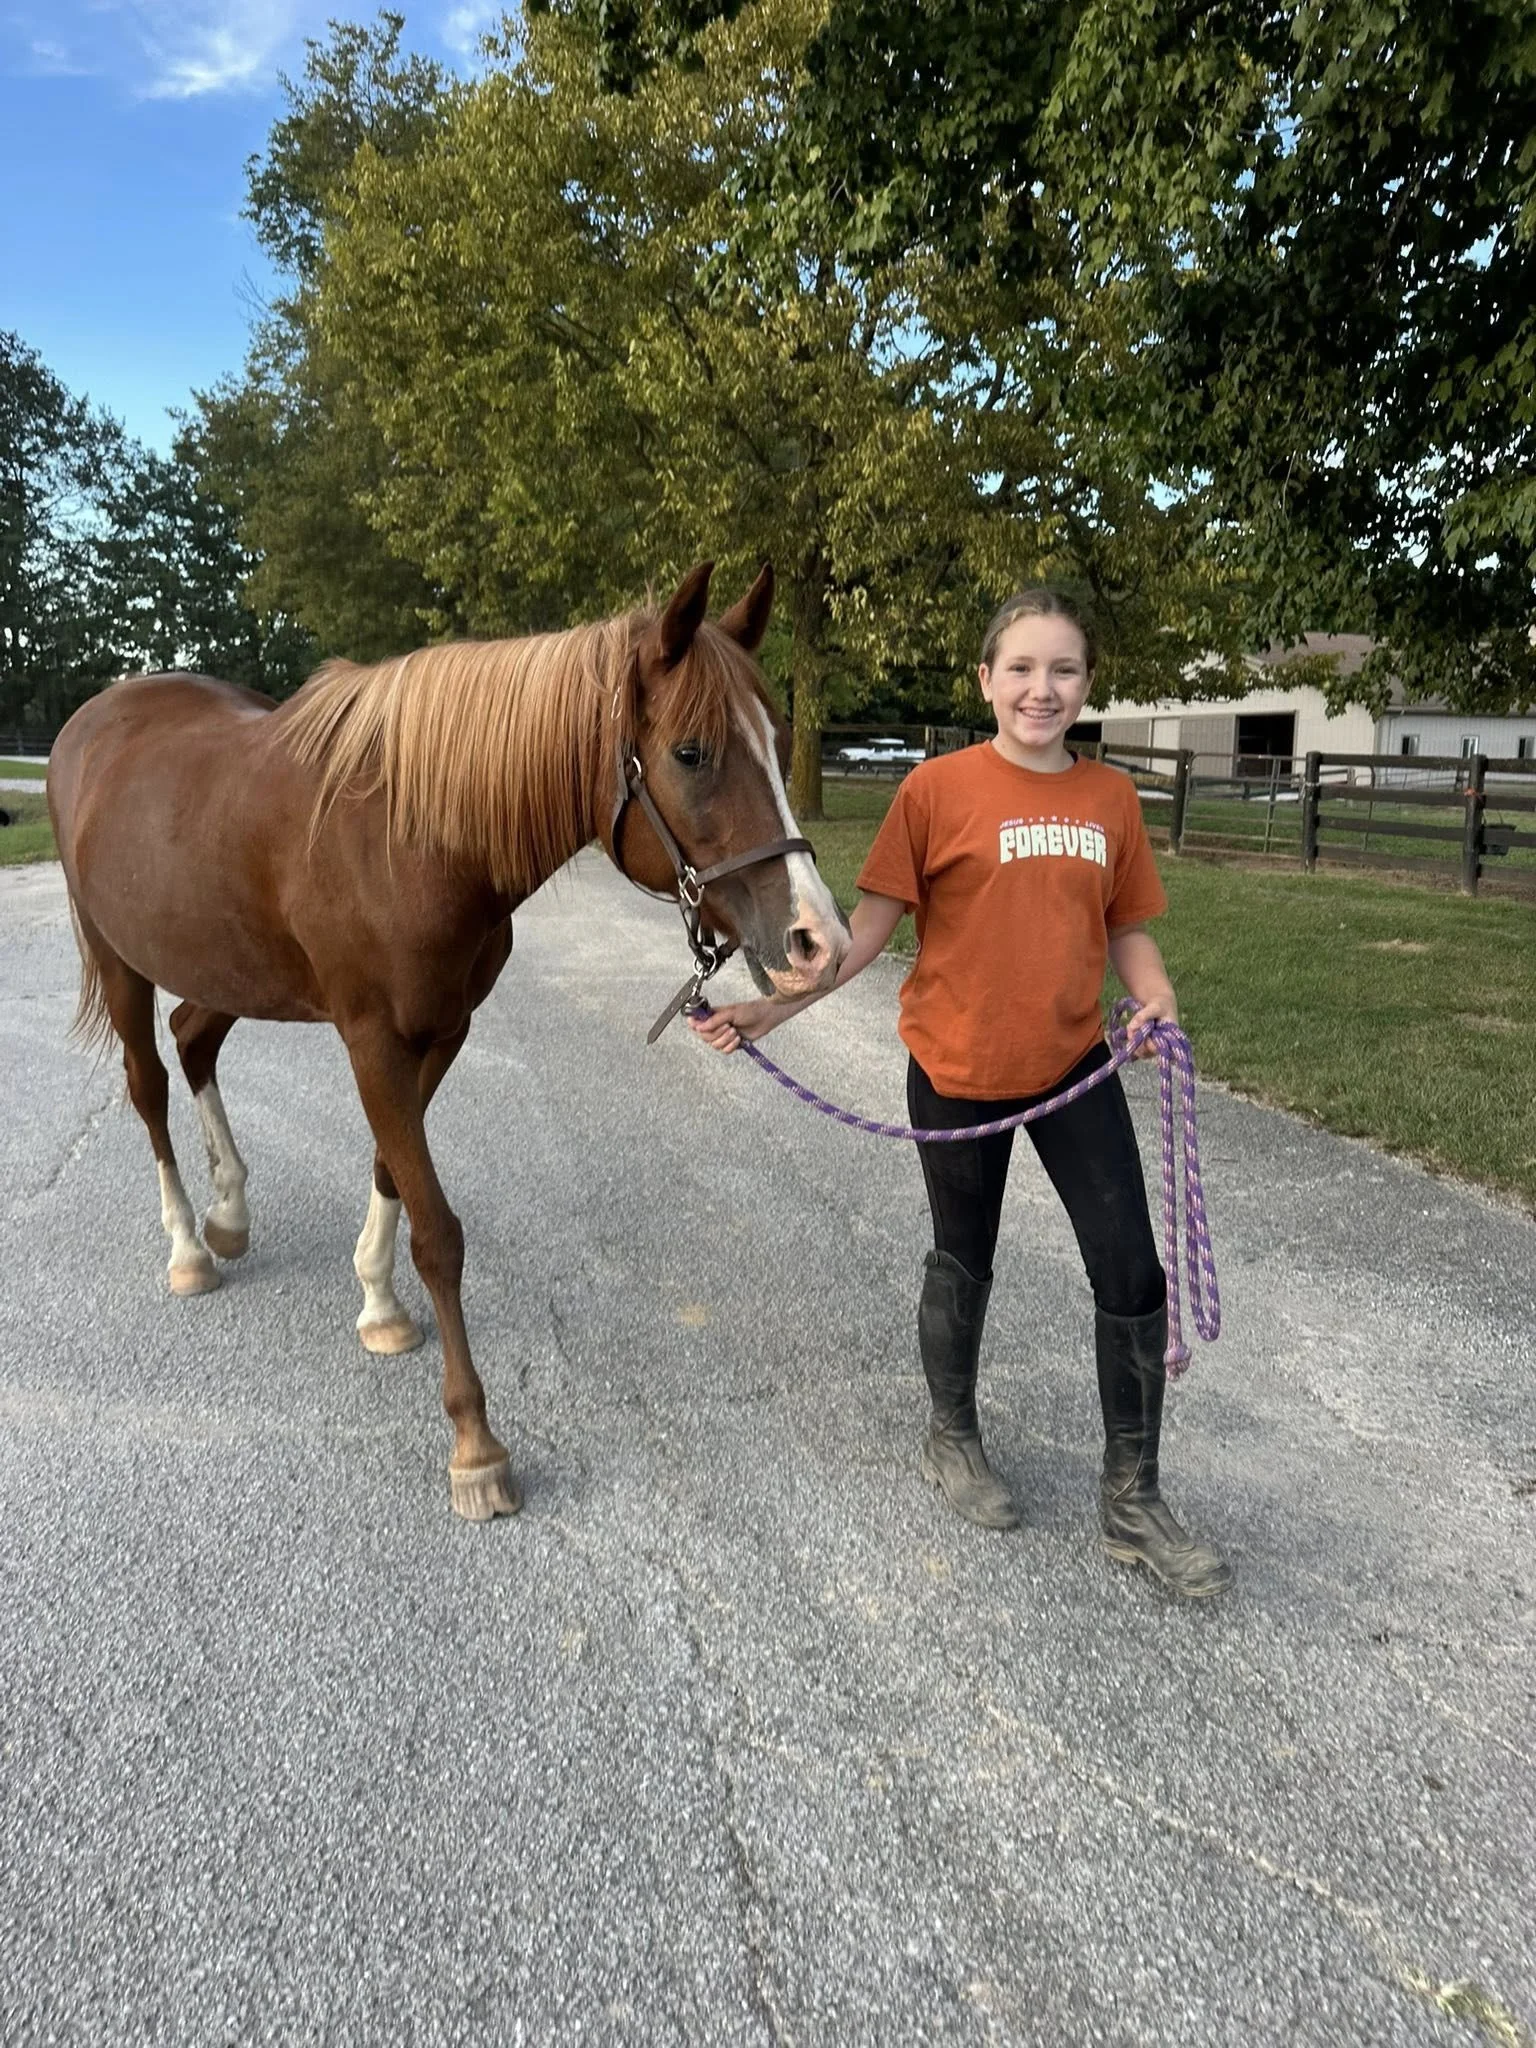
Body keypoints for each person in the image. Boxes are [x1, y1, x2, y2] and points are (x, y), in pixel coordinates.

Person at [690, 589, 1230, 1599]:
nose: (1042, 687)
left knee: (1132, 1269)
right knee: (963, 1255)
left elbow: (1128, 928)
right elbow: (871, 930)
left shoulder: (1109, 798)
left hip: (1072, 1070)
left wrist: (1153, 1000)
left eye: (1062, 669)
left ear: (1086, 683)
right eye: (1021, 668)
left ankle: (1133, 1496)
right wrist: (774, 1009)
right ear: (985, 680)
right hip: (954, 1069)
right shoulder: (934, 791)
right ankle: (953, 1435)